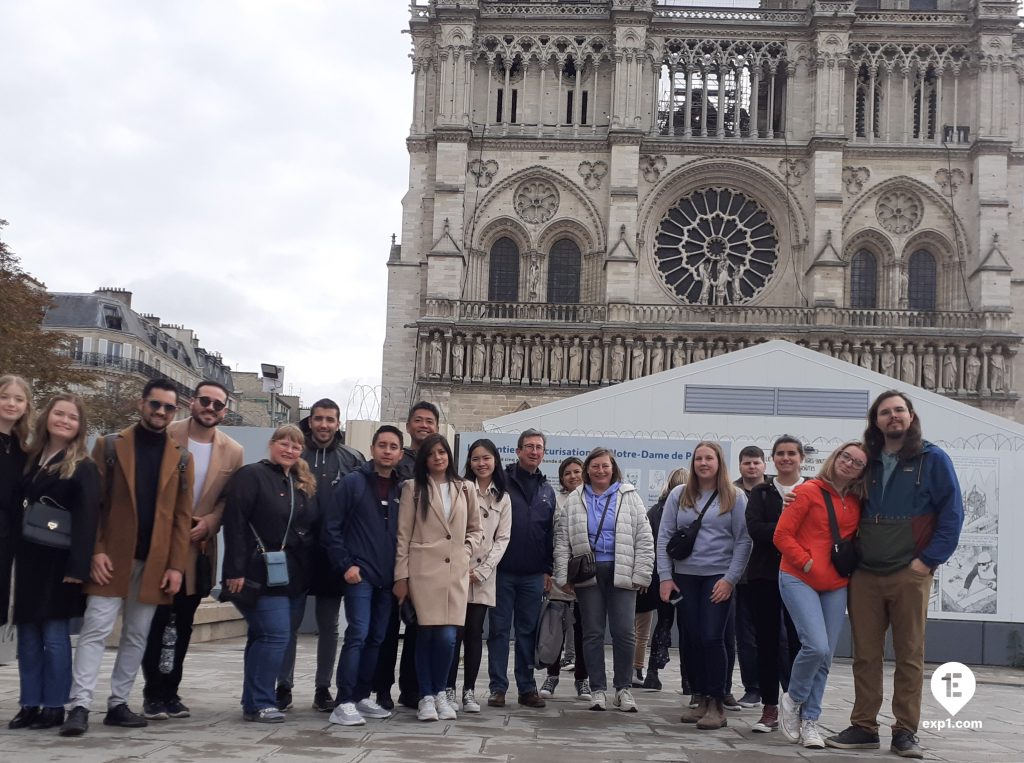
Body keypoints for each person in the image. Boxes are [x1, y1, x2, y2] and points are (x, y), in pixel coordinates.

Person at [826, 391, 964, 759]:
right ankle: (863, 726)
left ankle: (905, 731)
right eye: (885, 412)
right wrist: (796, 495)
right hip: (865, 574)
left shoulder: (932, 459)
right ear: (876, 421)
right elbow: (832, 489)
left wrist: (928, 561)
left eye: (898, 410)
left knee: (910, 655)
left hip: (910, 572)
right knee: (865, 655)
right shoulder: (865, 459)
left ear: (911, 415)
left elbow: (952, 515)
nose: (893, 417)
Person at [61, 379, 194, 737]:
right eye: (155, 405)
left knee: (137, 635)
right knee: (96, 630)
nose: (161, 412)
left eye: (168, 408)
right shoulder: (109, 446)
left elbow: (183, 518)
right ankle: (79, 705)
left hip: (154, 562)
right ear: (141, 404)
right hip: (112, 558)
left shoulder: (182, 456)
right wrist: (97, 549)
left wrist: (176, 566)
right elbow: (93, 506)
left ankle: (118, 702)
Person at [141, 380, 244, 721]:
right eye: (205, 401)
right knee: (156, 619)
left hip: (199, 547)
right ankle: (152, 690)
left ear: (225, 411)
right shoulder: (167, 435)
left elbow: (229, 498)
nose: (210, 408)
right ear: (191, 402)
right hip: (160, 542)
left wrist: (212, 522)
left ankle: (171, 690)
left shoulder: (233, 450)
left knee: (183, 621)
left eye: (218, 404)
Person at [8, 393, 99, 730]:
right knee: (28, 634)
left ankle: (54, 704)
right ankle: (29, 701)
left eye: (72, 417)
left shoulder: (83, 466)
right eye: (59, 414)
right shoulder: (30, 459)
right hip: (28, 556)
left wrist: (79, 568)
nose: (64, 421)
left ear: (79, 426)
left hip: (61, 561)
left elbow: (88, 519)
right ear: (47, 416)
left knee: (55, 634)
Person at [774, 441, 867, 749]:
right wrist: (806, 560)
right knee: (814, 645)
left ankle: (810, 720)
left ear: (862, 472)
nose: (849, 463)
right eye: (846, 456)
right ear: (835, 457)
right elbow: (781, 535)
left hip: (835, 584)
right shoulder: (808, 491)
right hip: (799, 577)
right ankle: (793, 699)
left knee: (826, 656)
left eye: (857, 462)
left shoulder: (857, 500)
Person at [221, 425, 317, 723]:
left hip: (290, 573)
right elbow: (235, 522)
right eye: (284, 444)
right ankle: (262, 701)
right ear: (272, 444)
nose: (289, 450)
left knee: (263, 636)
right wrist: (234, 569)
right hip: (257, 570)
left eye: (296, 446)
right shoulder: (251, 475)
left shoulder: (300, 482)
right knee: (275, 634)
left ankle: (252, 702)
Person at [279, 398, 366, 713]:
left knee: (328, 625)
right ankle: (283, 687)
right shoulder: (294, 454)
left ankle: (322, 688)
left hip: (333, 555)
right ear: (310, 421)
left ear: (338, 423)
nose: (324, 425)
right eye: (318, 419)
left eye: (330, 419)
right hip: (297, 554)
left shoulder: (352, 459)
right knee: (289, 623)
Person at [658, 441, 751, 730]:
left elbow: (744, 541)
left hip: (717, 576)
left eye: (709, 458)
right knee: (693, 637)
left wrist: (730, 580)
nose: (703, 463)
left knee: (712, 637)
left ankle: (717, 702)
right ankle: (700, 698)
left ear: (719, 462)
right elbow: (664, 537)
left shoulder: (734, 497)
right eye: (698, 458)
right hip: (685, 576)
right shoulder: (679, 494)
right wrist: (665, 577)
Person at [554, 447, 654, 712]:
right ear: (588, 469)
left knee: (624, 632)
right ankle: (597, 688)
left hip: (623, 571)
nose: (600, 471)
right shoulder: (576, 498)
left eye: (605, 466)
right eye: (595, 466)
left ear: (613, 469)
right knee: (593, 633)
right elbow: (562, 539)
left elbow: (644, 537)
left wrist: (643, 573)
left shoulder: (629, 496)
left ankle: (623, 689)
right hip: (588, 573)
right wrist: (562, 576)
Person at [393, 434, 482, 722]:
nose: (438, 457)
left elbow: (476, 529)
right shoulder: (412, 488)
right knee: (426, 635)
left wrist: (465, 551)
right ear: (425, 458)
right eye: (432, 453)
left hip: (454, 570)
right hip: (423, 571)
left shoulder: (465, 487)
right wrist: (402, 575)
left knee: (447, 638)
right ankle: (426, 696)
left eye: (442, 452)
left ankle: (442, 691)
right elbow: (403, 535)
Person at [324, 425, 404, 727]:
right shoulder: (353, 483)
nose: (387, 450)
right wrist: (346, 564)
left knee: (377, 638)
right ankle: (342, 700)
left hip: (387, 578)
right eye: (382, 445)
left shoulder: (401, 488)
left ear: (399, 453)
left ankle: (360, 696)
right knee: (357, 634)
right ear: (373, 449)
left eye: (393, 446)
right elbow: (332, 528)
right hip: (361, 575)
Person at [374, 400, 439, 711]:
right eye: (419, 420)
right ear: (409, 425)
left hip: (424, 560)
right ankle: (382, 689)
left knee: (418, 628)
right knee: (387, 629)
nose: (424, 425)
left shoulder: (437, 465)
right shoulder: (398, 464)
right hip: (392, 555)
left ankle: (411, 689)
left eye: (429, 421)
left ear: (437, 428)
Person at [487, 428, 556, 709]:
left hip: (533, 575)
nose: (534, 451)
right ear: (517, 451)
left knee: (528, 632)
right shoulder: (501, 482)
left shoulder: (546, 489)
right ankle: (497, 688)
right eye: (529, 446)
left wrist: (548, 569)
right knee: (500, 631)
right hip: (502, 571)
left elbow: (550, 532)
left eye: (539, 447)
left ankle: (527, 688)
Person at [744, 436, 805, 734]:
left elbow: (816, 531)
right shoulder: (762, 492)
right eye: (780, 453)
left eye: (791, 453)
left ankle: (797, 706)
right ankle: (769, 707)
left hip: (802, 577)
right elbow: (755, 529)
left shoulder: (812, 490)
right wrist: (787, 525)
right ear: (773, 459)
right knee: (766, 643)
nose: (786, 458)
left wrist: (781, 532)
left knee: (798, 643)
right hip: (764, 575)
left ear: (801, 458)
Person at [446, 439, 512, 712]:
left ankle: (469, 691)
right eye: (475, 459)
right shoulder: (459, 489)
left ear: (495, 460)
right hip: (458, 572)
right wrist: (461, 565)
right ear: (469, 462)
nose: (481, 463)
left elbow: (503, 538)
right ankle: (448, 689)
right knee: (454, 634)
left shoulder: (503, 497)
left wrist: (483, 571)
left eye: (486, 458)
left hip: (484, 577)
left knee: (474, 634)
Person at [542, 456, 589, 700]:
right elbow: (548, 537)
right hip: (559, 575)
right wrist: (549, 571)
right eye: (567, 473)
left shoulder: (593, 499)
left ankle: (582, 679)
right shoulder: (555, 501)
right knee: (555, 630)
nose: (573, 476)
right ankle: (552, 676)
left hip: (586, 576)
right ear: (561, 478)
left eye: (577, 471)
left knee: (583, 630)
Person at [641, 467, 688, 693]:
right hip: (686, 576)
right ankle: (687, 679)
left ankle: (653, 671)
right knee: (687, 625)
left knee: (663, 622)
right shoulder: (690, 510)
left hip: (661, 577)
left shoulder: (655, 510)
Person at [727, 445, 767, 711]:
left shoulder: (772, 493)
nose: (751, 467)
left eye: (756, 463)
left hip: (768, 574)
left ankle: (774, 689)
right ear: (740, 466)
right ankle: (752, 688)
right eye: (747, 463)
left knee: (775, 636)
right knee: (744, 636)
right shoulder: (730, 493)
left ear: (764, 465)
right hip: (739, 575)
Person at [0, 375, 33, 633]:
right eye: (4, 396)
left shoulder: (23, 449)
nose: (11, 403)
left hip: (6, 537)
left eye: (18, 399)